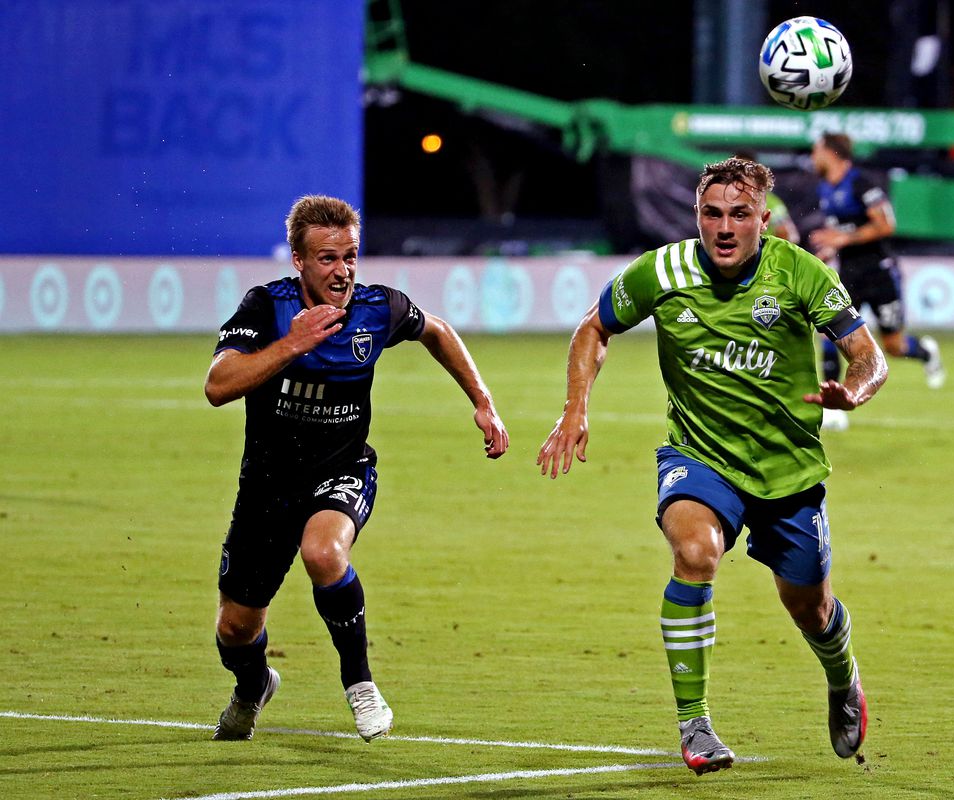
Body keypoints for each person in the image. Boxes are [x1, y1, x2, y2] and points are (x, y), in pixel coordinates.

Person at [537, 158, 887, 774]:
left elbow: (867, 355)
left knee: (811, 608)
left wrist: (853, 390)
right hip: (700, 457)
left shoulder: (799, 273)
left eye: (740, 214)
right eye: (712, 213)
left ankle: (842, 677)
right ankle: (695, 724)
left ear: (764, 219)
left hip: (787, 469)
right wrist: (575, 410)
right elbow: (594, 328)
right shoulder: (662, 271)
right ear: (697, 216)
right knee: (694, 553)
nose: (725, 227)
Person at [204, 195, 509, 742]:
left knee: (324, 552)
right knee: (235, 628)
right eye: (327, 258)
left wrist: (482, 400)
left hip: (341, 470)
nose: (342, 271)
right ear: (298, 260)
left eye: (350, 256)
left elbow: (436, 330)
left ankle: (359, 684)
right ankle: (252, 687)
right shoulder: (265, 309)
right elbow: (218, 385)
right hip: (268, 487)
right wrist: (291, 345)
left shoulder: (377, 309)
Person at [808, 133, 945, 404]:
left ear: (831, 153)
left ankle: (926, 352)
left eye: (816, 151)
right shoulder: (825, 188)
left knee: (894, 346)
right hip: (848, 275)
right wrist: (828, 249)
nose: (812, 157)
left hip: (879, 273)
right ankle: (834, 407)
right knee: (828, 332)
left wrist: (843, 239)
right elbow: (840, 233)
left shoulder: (860, 183)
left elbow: (886, 224)